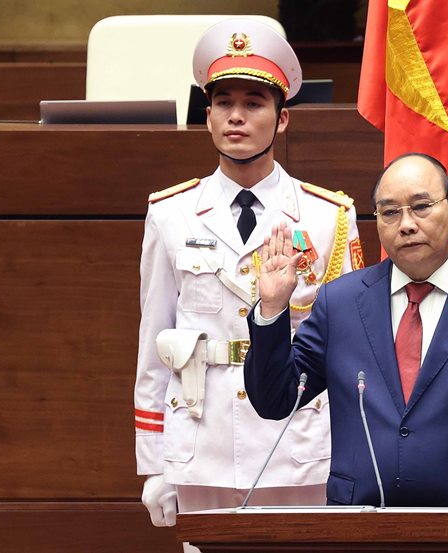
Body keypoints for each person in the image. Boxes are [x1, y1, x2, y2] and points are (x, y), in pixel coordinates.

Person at [134, 17, 363, 537]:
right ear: (207, 115)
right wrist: (154, 460)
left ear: (282, 120)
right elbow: (154, 340)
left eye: (254, 104)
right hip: (201, 435)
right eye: (223, 103)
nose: (236, 117)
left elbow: (349, 346)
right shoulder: (170, 214)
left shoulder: (327, 216)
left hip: (297, 440)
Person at [244, 152, 448, 506]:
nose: (407, 224)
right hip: (359, 520)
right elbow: (276, 399)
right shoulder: (339, 303)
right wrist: (273, 308)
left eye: (422, 206)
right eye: (390, 212)